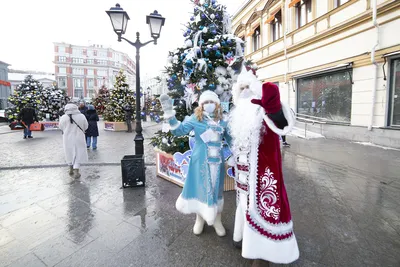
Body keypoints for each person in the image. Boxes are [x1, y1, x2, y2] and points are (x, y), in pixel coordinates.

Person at [228, 68, 299, 264]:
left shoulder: (264, 109)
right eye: (241, 89)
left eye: (247, 89)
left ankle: (263, 254)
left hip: (263, 177)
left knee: (263, 213)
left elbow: (279, 117)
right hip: (243, 180)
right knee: (244, 208)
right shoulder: (239, 115)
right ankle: (242, 239)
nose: (244, 93)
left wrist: (260, 89)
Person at [160, 91, 231, 237]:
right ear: (201, 105)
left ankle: (217, 220)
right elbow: (179, 131)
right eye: (205, 102)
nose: (208, 105)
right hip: (200, 161)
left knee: (216, 189)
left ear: (217, 103)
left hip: (217, 163)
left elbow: (231, 140)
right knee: (200, 187)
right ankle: (199, 219)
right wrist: (170, 114)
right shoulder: (195, 118)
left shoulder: (223, 120)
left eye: (211, 102)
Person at [59, 103, 89, 179]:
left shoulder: (63, 117)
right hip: (79, 137)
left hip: (67, 138)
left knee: (69, 152)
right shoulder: (81, 116)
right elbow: (86, 126)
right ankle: (76, 170)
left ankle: (70, 168)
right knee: (78, 152)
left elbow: (61, 127)